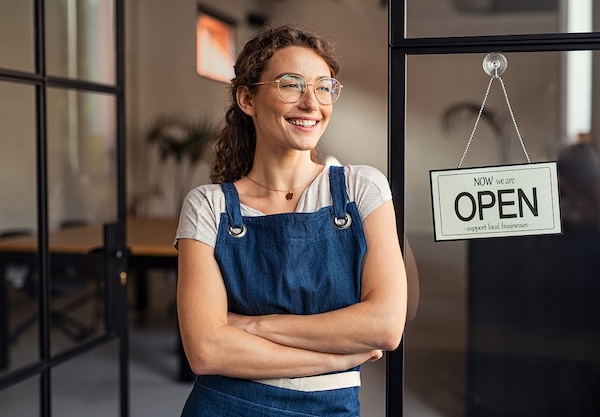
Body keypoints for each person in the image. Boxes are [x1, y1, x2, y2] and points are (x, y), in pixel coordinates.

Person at [175, 24, 411, 417]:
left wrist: (252, 326)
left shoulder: (362, 188)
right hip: (224, 405)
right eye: (291, 84)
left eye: (323, 87)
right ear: (247, 98)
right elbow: (205, 350)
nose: (311, 103)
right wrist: (335, 359)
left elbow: (384, 326)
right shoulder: (207, 206)